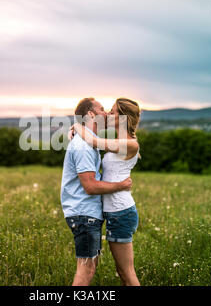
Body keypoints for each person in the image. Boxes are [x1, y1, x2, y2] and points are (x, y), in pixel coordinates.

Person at [61, 97, 132, 286]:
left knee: (89, 268)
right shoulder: (84, 146)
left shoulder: (89, 142)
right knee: (87, 270)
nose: (106, 112)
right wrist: (121, 185)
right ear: (91, 114)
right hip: (84, 214)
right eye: (101, 109)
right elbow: (90, 186)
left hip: (87, 214)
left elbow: (98, 141)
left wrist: (77, 127)